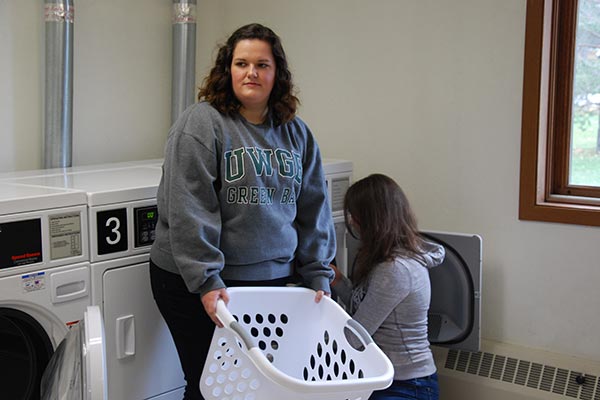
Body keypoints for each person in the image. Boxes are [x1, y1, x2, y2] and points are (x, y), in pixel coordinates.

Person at [149, 23, 336, 400]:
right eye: (241, 63)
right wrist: (206, 281)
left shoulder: (296, 133)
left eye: (262, 65)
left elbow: (314, 208)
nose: (251, 72)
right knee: (212, 387)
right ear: (227, 70)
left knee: (258, 386)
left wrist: (318, 272)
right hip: (198, 281)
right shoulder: (202, 123)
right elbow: (190, 207)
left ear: (276, 74)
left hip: (269, 280)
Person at [331, 174, 444, 400]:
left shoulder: (395, 269)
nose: (352, 222)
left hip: (408, 385)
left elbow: (357, 336)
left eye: (355, 216)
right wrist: (338, 280)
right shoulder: (385, 258)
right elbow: (361, 301)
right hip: (386, 376)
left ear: (372, 220)